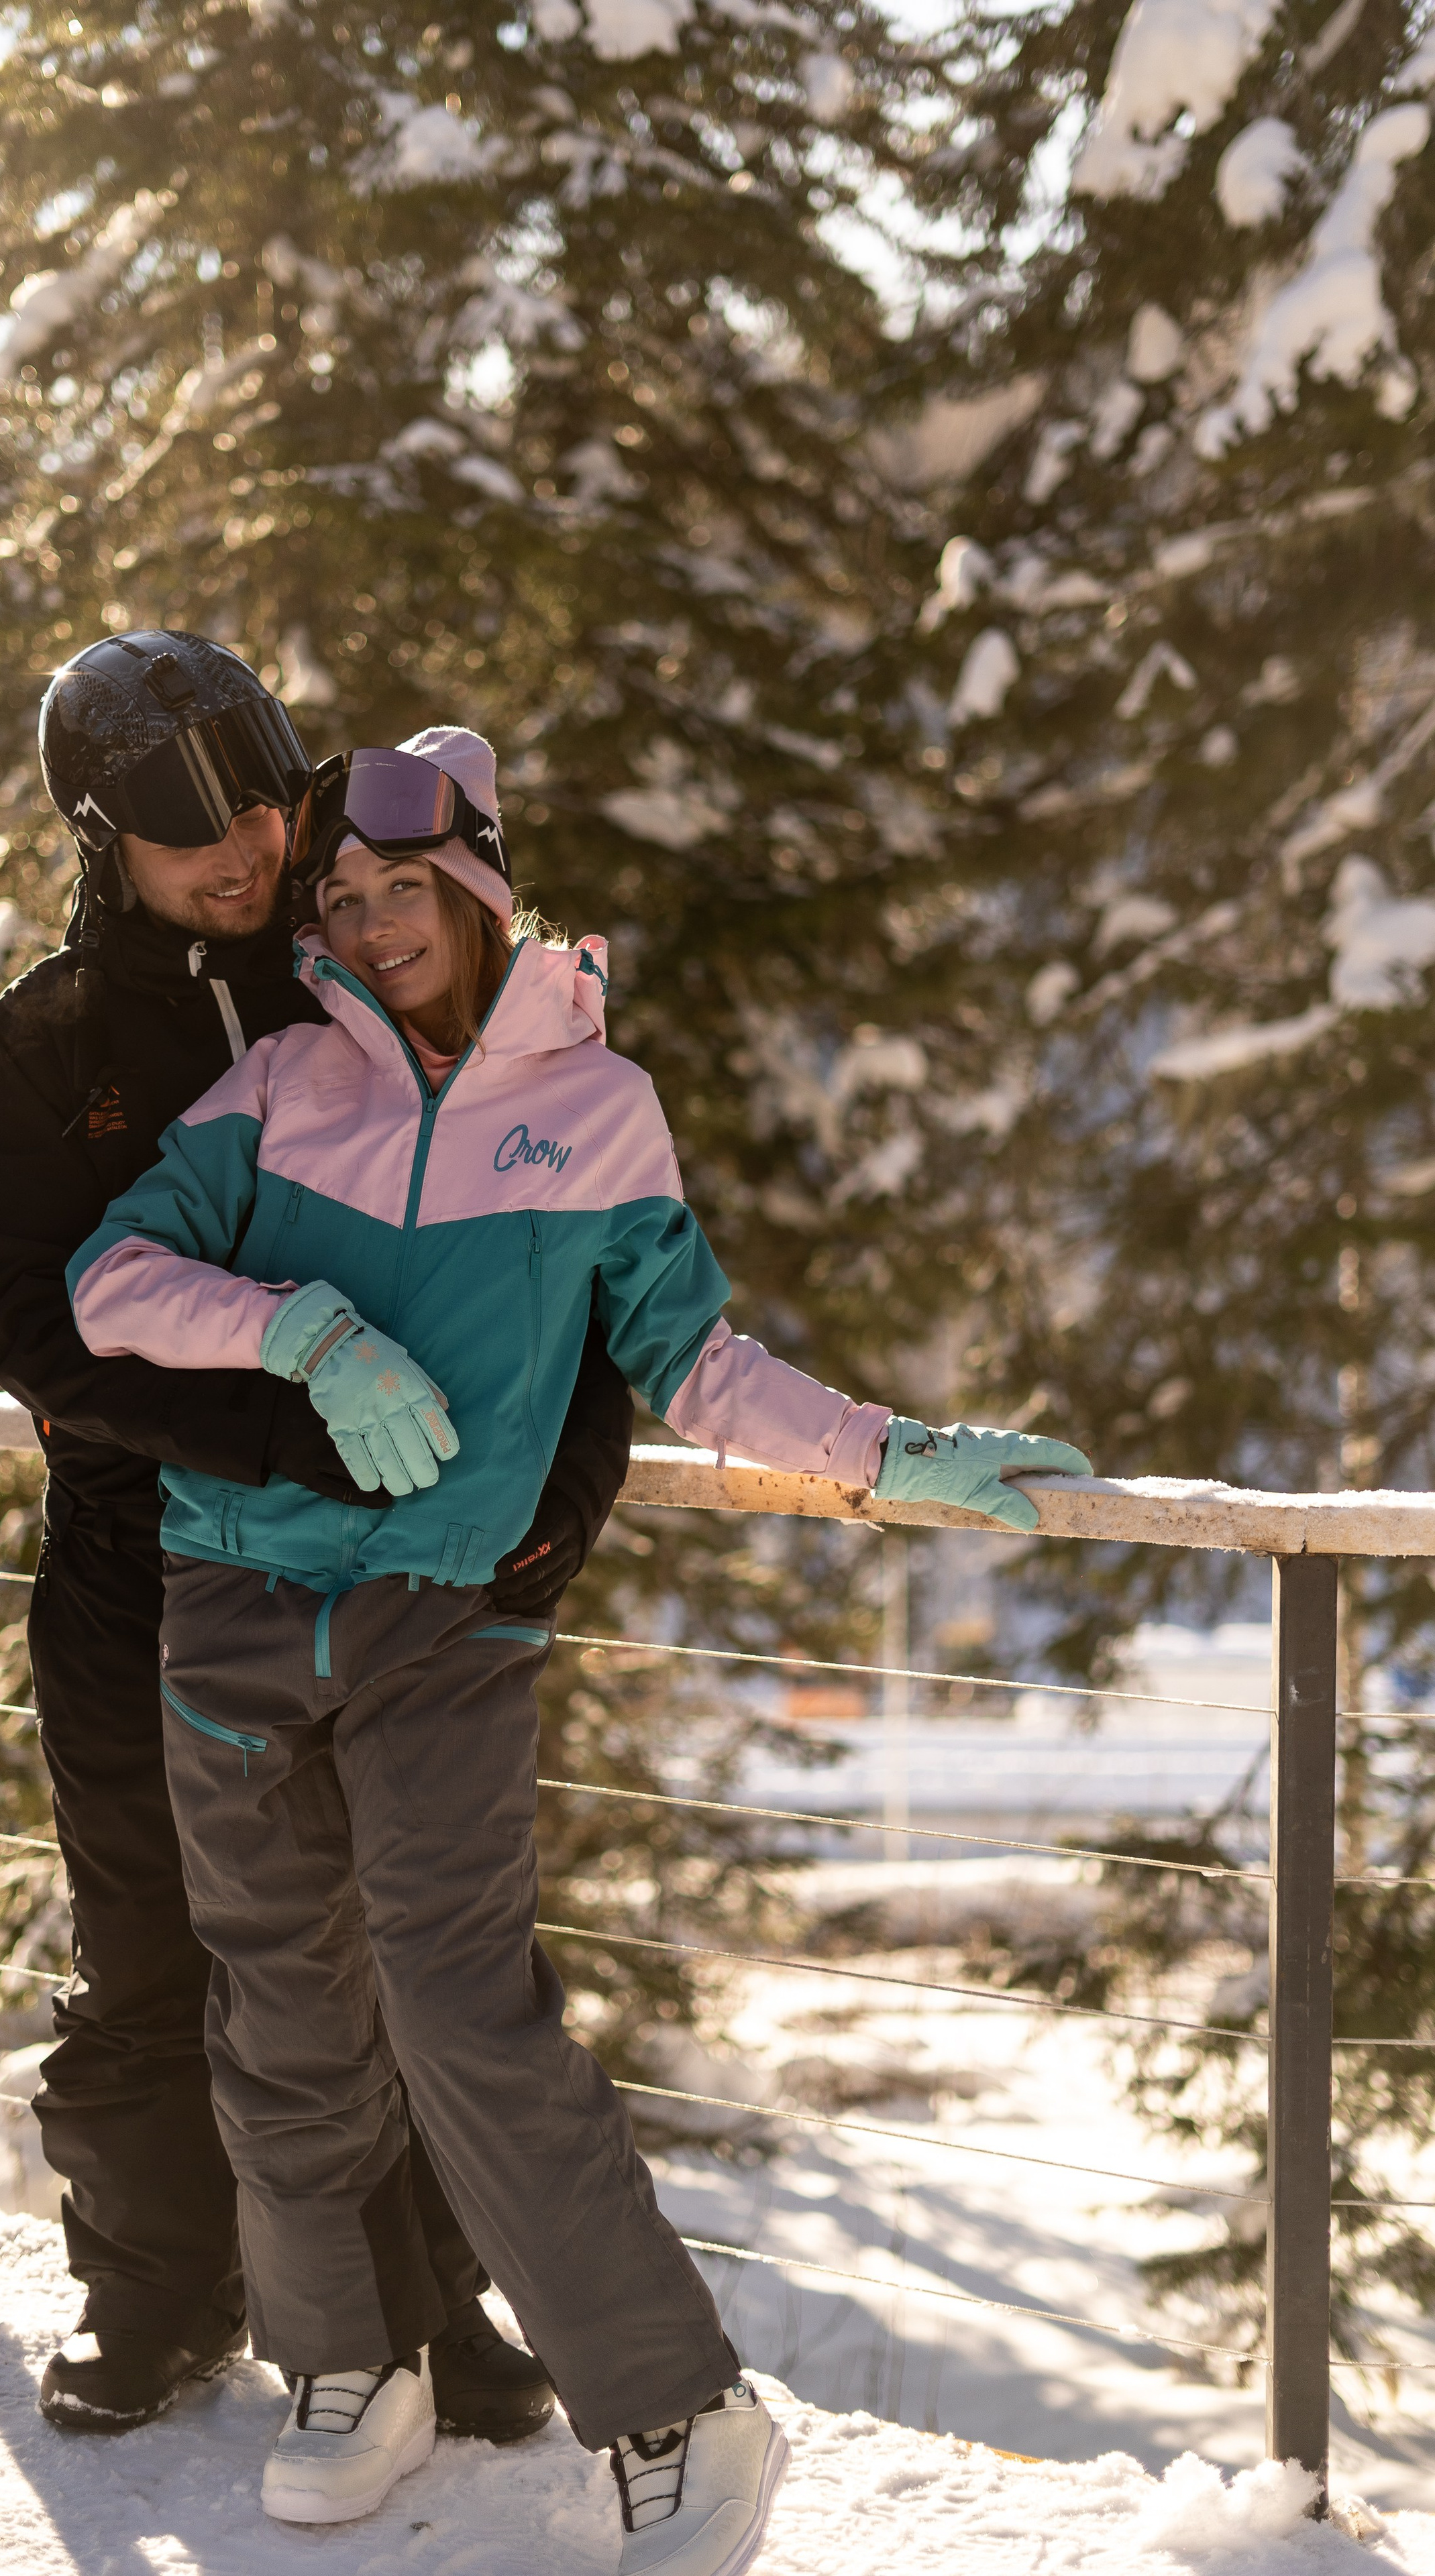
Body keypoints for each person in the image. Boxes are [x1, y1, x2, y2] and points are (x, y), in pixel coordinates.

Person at [63, 722, 1093, 2571]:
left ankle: (675, 2406)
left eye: (407, 890)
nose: (375, 924)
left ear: (480, 883)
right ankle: (340, 2358)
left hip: (444, 1618)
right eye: (348, 897)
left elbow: (695, 1361)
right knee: (278, 2001)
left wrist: (893, 1453)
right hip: (231, 1594)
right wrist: (301, 1329)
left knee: (463, 2003)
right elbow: (112, 1281)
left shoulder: (591, 1111)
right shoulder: (277, 1084)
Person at [0, 636, 634, 2439]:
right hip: (136, 1567)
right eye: (191, 838)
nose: (248, 854)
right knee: (159, 1938)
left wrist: (555, 1513)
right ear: (107, 843)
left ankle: (432, 2306)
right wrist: (283, 1418)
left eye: (263, 806)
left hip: (403, 1564)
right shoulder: (58, 1038)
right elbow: (30, 1319)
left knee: (414, 1939)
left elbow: (563, 1246)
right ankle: (156, 2287)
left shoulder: (378, 966)